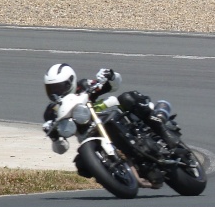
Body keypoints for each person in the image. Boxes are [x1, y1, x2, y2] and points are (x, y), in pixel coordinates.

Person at [42, 63, 179, 156]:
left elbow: (115, 85)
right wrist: (54, 138)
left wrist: (110, 75)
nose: (56, 93)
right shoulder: (52, 112)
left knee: (128, 98)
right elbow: (61, 150)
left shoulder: (83, 86)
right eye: (52, 89)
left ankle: (162, 130)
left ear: (70, 82)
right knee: (81, 165)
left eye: (59, 88)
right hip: (93, 138)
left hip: (114, 116)